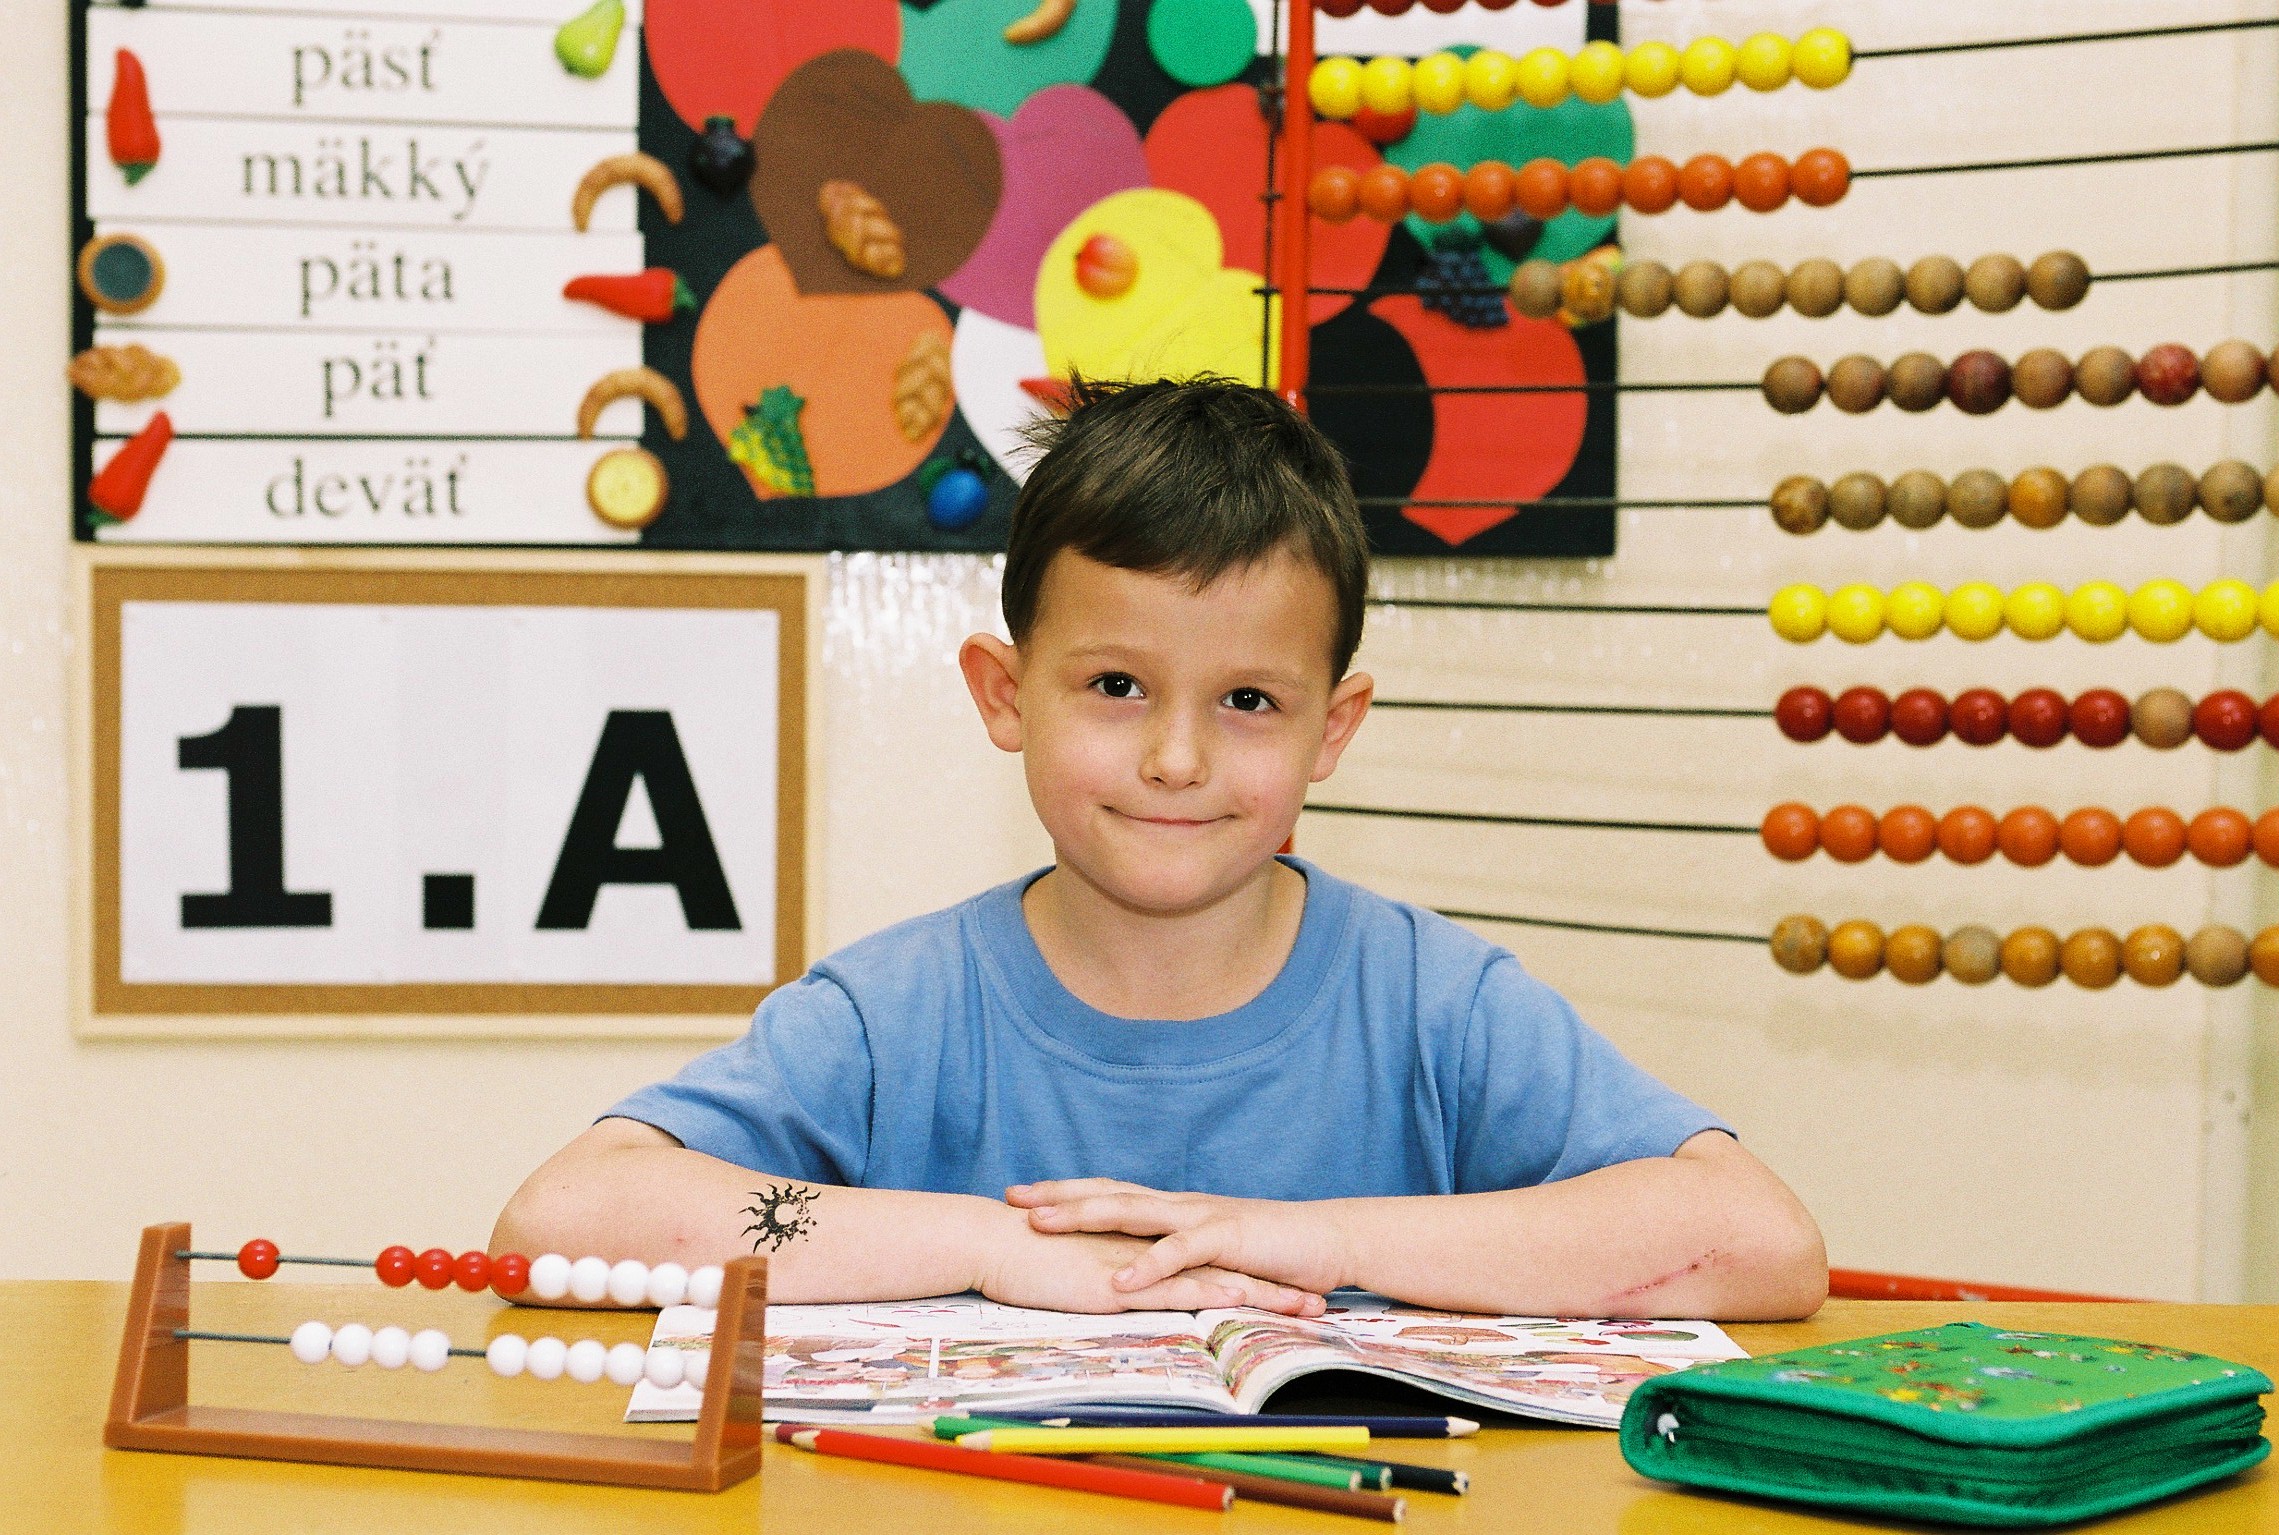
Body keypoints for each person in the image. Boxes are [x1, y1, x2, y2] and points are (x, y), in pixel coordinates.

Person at [495, 378, 1826, 1321]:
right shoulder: (894, 1015)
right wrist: (989, 1247)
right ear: (1006, 694)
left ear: (1331, 728)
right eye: (1117, 686)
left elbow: (1759, 1243)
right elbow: (564, 1218)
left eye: (1248, 700)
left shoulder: (1437, 1006)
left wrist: (1309, 1242)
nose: (1177, 758)